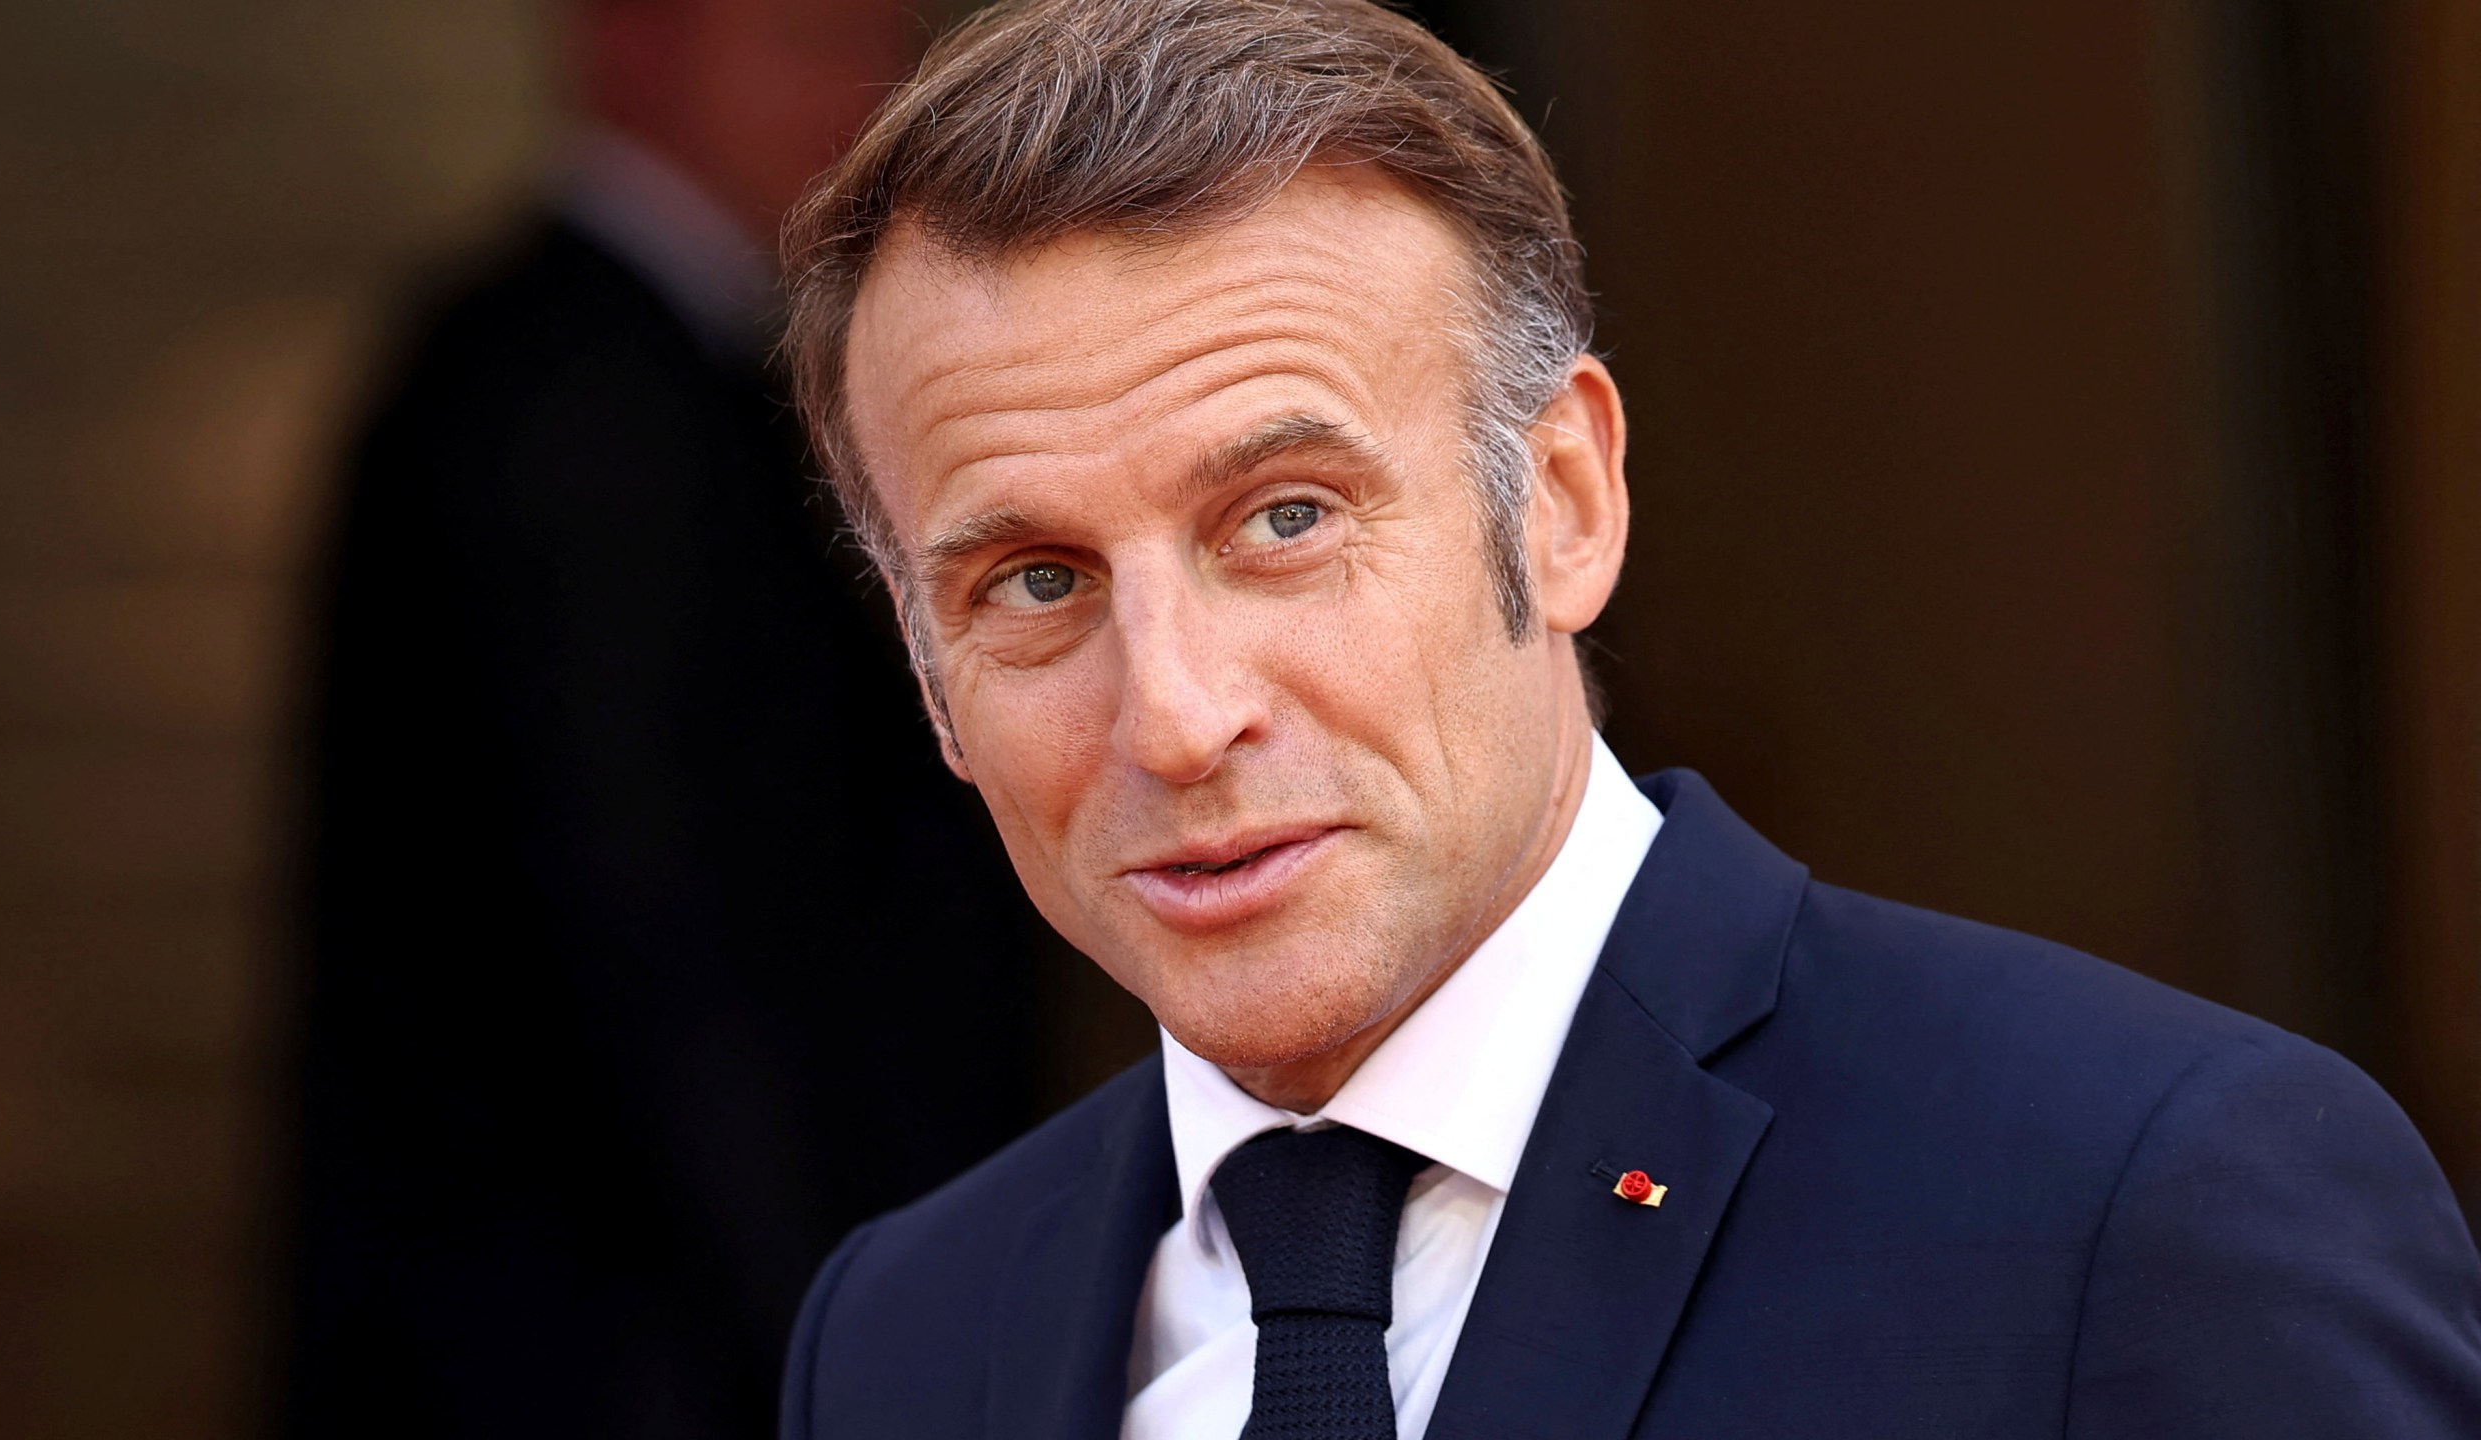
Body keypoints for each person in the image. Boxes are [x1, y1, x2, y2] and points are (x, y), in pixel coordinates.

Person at [767, 0, 2481, 1436]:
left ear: (1566, 506)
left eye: (1286, 519)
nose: (1176, 718)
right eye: (1036, 582)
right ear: (928, 674)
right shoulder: (903, 1338)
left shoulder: (2141, 1206)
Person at [282, 2, 1046, 1433]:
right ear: (632, 43)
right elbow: (673, 936)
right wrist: (858, 1349)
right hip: (619, 1357)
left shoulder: (673, 364)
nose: (871, 100)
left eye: (889, 45)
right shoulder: (574, 396)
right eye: (810, 42)